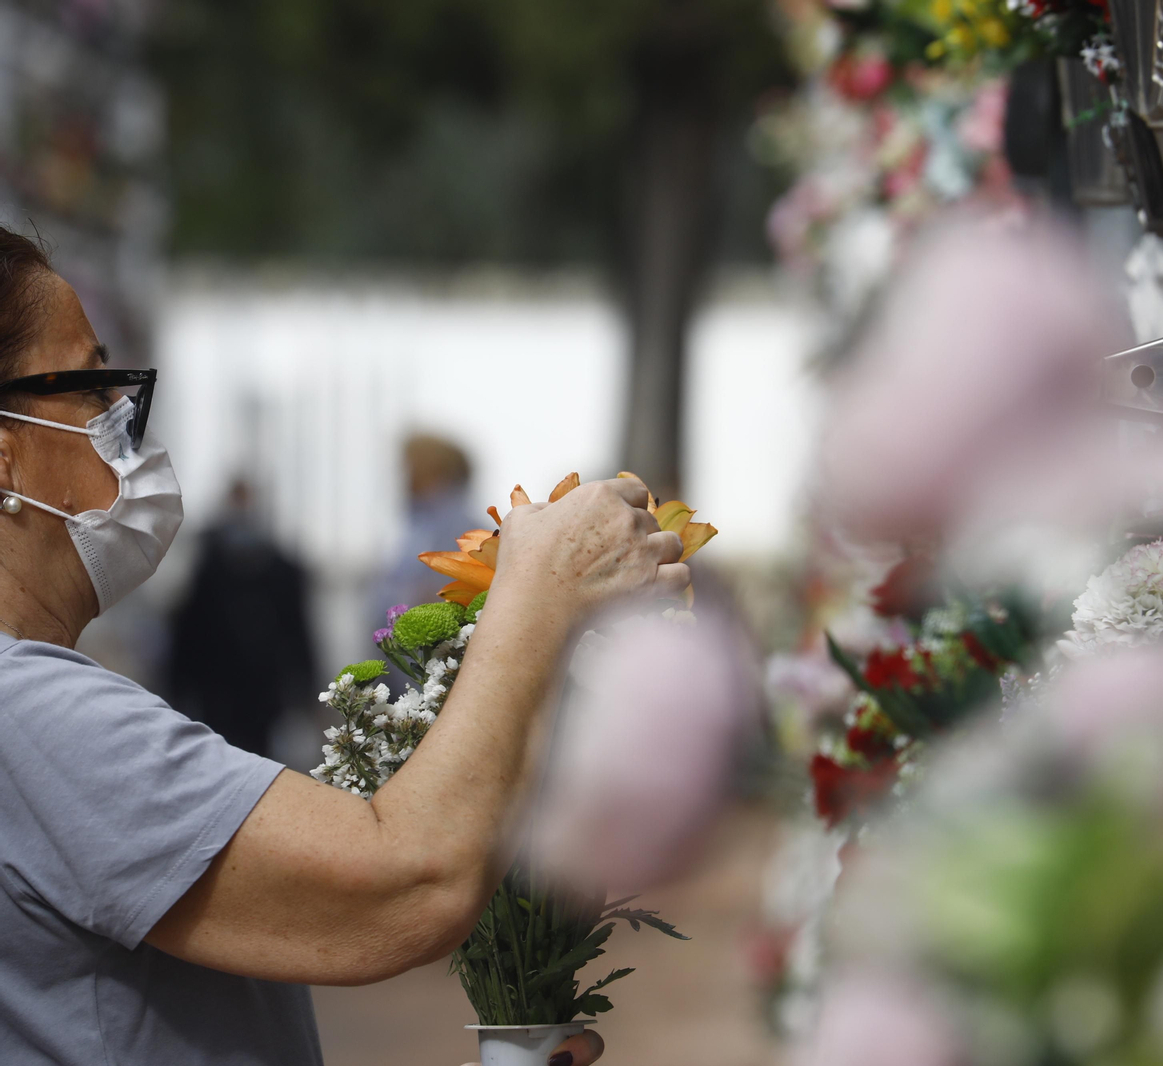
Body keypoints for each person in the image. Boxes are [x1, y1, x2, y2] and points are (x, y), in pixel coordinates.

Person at [0, 226, 688, 1066]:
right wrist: (541, 594)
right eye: (92, 386)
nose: (122, 423)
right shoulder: (30, 712)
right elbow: (405, 883)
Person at [165, 476, 316, 757]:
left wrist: (304, 687)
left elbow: (298, 629)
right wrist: (178, 686)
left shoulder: (282, 569)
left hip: (264, 694)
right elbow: (187, 630)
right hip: (217, 690)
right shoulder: (207, 569)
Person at [370, 433, 483, 629]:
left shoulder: (465, 530)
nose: (404, 476)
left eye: (410, 466)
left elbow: (443, 596)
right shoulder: (418, 524)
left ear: (434, 470)